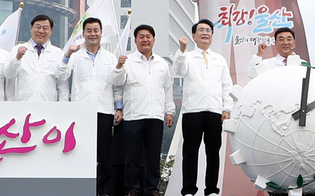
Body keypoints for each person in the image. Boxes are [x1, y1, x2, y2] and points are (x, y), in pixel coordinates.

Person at [57, 17, 120, 196]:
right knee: (82, 153)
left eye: (96, 30)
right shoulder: (76, 56)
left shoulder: (110, 57)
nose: (93, 34)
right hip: (82, 111)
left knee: (104, 155)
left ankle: (104, 191)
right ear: (83, 34)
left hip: (104, 111)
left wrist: (118, 107)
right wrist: (67, 55)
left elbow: (116, 85)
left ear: (101, 33)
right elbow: (61, 75)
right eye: (89, 31)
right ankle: (81, 190)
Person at [113, 24, 175, 196]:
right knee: (132, 156)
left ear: (153, 40)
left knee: (154, 156)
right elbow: (117, 86)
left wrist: (169, 111)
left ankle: (151, 188)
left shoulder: (162, 63)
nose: (145, 40)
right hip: (133, 115)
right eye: (141, 36)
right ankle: (132, 188)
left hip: (155, 115)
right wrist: (118, 66)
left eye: (148, 36)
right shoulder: (127, 61)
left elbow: (167, 89)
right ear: (135, 40)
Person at [173, 19, 232, 196]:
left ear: (212, 35)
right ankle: (189, 190)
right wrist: (182, 50)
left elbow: (226, 85)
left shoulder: (219, 60)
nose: (205, 33)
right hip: (193, 111)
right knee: (190, 152)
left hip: (214, 112)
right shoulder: (188, 56)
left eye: (208, 30)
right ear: (194, 35)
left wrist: (226, 108)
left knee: (213, 153)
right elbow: (179, 70)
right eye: (201, 30)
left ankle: (212, 190)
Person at [6, 14, 70, 101]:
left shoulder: (58, 53)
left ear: (51, 31)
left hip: (48, 107)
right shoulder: (17, 50)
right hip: (23, 107)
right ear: (31, 28)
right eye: (38, 27)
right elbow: (9, 74)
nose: (41, 31)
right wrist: (17, 58)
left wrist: (62, 107)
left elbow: (62, 85)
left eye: (45, 28)